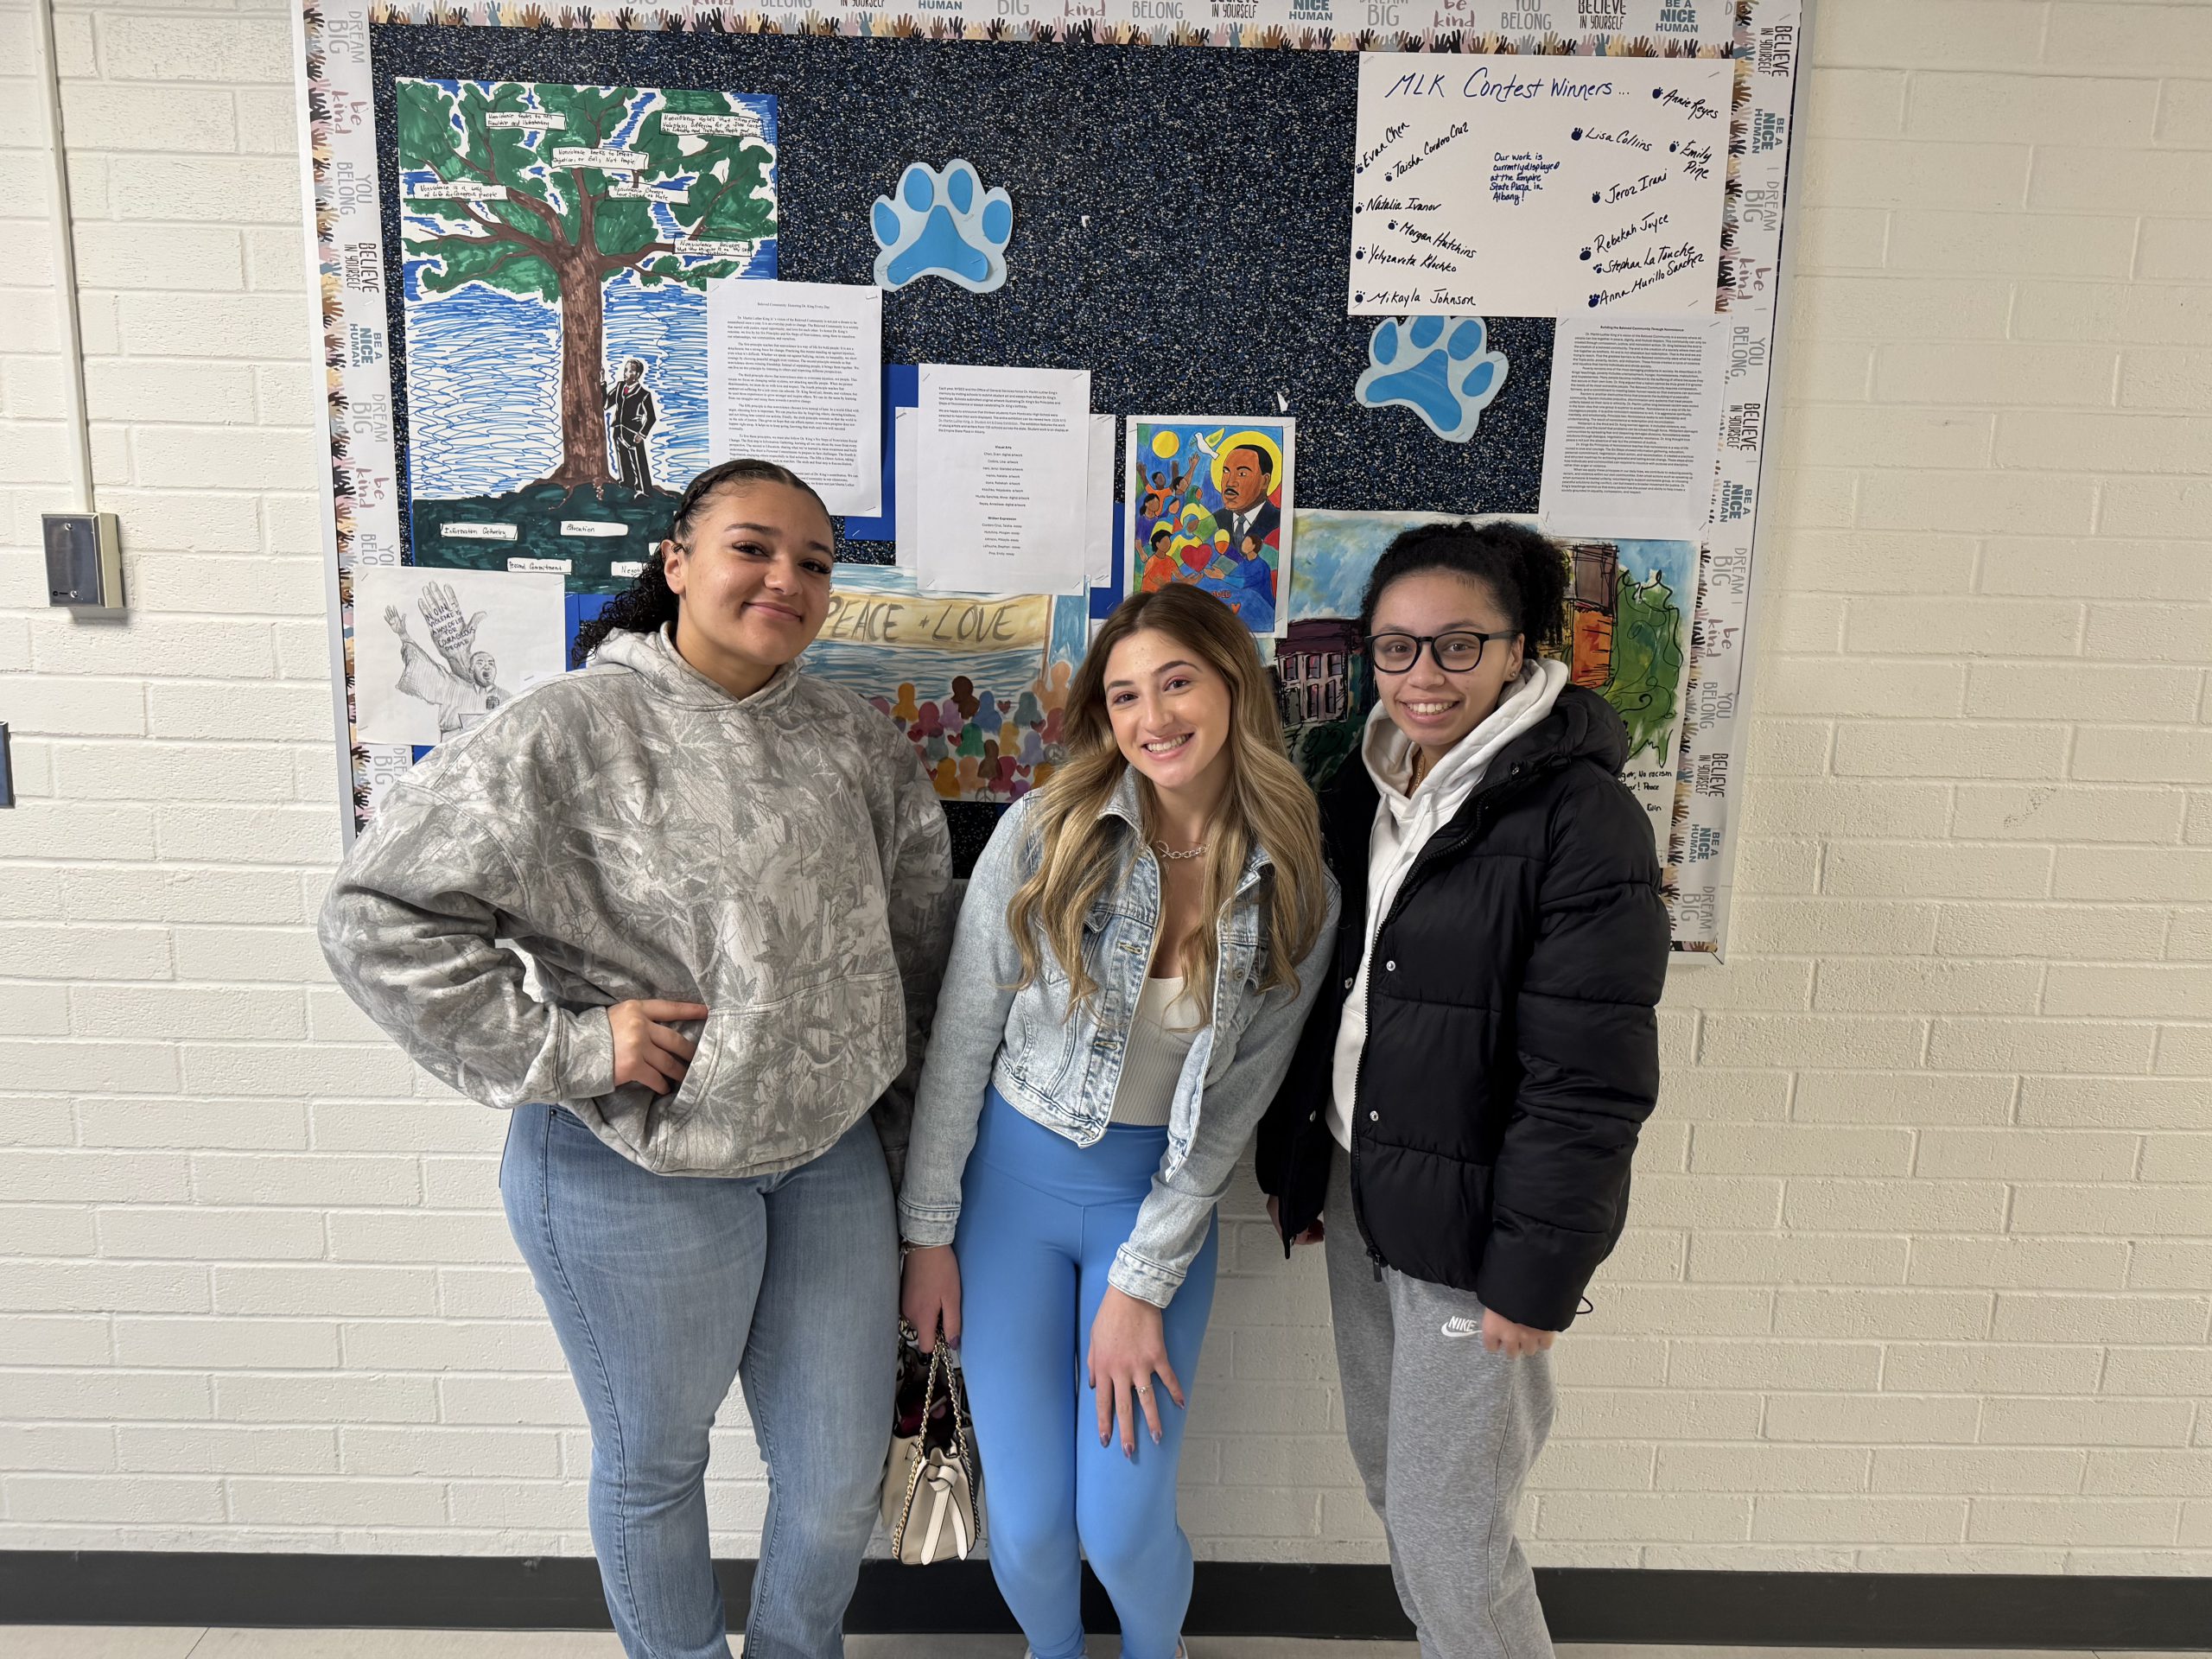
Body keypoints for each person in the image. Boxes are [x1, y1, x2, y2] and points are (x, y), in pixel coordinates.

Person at [319, 459, 953, 1659]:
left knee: (833, 1484)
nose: (785, 578)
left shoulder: (859, 747)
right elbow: (376, 916)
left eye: (814, 562)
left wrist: (914, 1169)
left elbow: (917, 955)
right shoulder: (566, 729)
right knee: (657, 1462)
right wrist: (570, 1045)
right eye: (752, 547)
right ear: (676, 561)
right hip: (633, 1164)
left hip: (826, 1158)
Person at [899, 583, 1338, 1659]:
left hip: (1156, 1216)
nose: (1153, 717)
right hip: (1008, 1207)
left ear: (1232, 686)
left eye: (1176, 683)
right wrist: (927, 1235)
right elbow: (961, 1040)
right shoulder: (1044, 833)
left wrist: (1138, 1285)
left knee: (1122, 1526)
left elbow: (1235, 1107)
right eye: (1125, 694)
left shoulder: (1297, 882)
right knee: (1032, 1528)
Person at [1256, 519, 1667, 1659]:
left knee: (1453, 1533)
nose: (1423, 676)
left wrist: (1533, 1278)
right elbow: (1337, 997)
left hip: (1475, 1231)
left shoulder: (1580, 818)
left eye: (1457, 645)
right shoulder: (1371, 789)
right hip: (1367, 1191)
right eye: (1396, 648)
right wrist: (1302, 1165)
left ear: (1518, 648)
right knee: (1399, 1483)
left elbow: (1589, 1077)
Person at [606, 356, 658, 492]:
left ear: (637, 375)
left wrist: (642, 434)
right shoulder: (620, 387)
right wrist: (602, 383)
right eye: (625, 370)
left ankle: (644, 490)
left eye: (630, 371)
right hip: (619, 430)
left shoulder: (644, 394)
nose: (626, 373)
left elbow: (651, 417)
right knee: (623, 460)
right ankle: (628, 485)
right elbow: (605, 404)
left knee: (639, 462)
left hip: (634, 433)